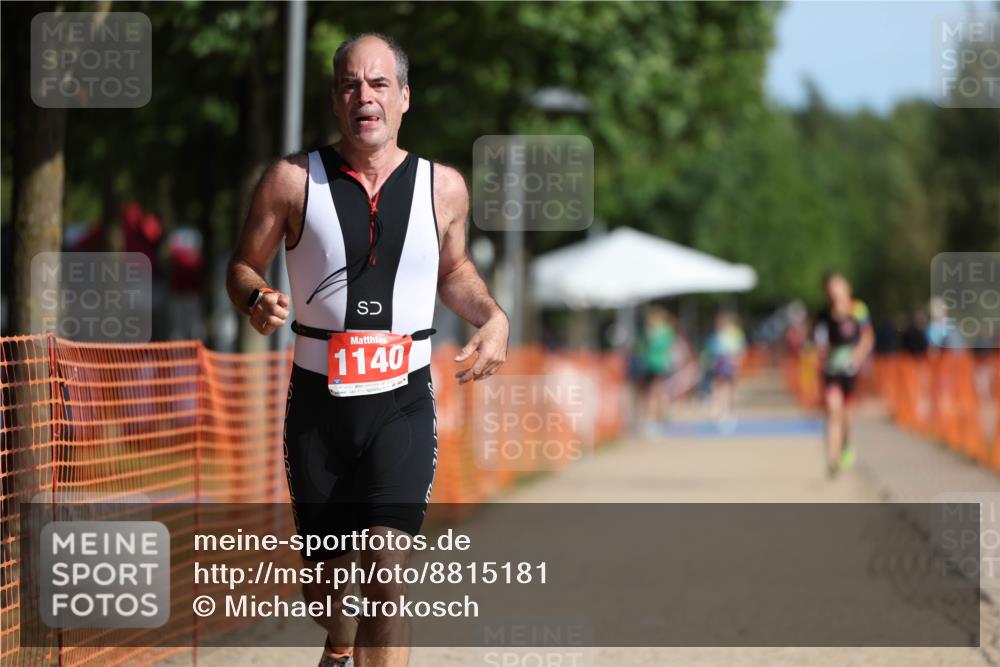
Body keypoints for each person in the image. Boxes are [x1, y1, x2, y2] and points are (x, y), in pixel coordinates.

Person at [226, 33, 509, 667]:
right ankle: (337, 644)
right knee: (328, 590)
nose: (366, 97)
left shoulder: (445, 188)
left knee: (387, 566)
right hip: (317, 406)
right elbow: (243, 263)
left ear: (404, 98)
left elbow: (454, 270)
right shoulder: (291, 180)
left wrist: (493, 316)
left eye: (380, 84)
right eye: (352, 84)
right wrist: (255, 297)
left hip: (402, 402)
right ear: (335, 99)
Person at [813, 272, 873, 478]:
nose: (834, 292)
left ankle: (846, 445)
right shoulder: (823, 315)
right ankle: (832, 458)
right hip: (831, 370)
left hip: (851, 372)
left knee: (846, 416)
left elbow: (867, 338)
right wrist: (821, 357)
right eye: (831, 288)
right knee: (832, 410)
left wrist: (857, 357)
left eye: (837, 287)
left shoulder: (858, 310)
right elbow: (819, 342)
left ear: (846, 287)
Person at [635, 305, 676, 430]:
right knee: (651, 393)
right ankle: (650, 419)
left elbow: (660, 346)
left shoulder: (663, 332)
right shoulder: (655, 331)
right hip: (651, 365)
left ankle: (654, 419)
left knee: (655, 393)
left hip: (657, 365)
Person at [703, 311, 747, 427]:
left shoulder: (731, 334)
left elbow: (738, 351)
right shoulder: (724, 335)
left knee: (724, 387)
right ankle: (721, 410)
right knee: (722, 387)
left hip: (725, 364)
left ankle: (723, 410)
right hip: (722, 364)